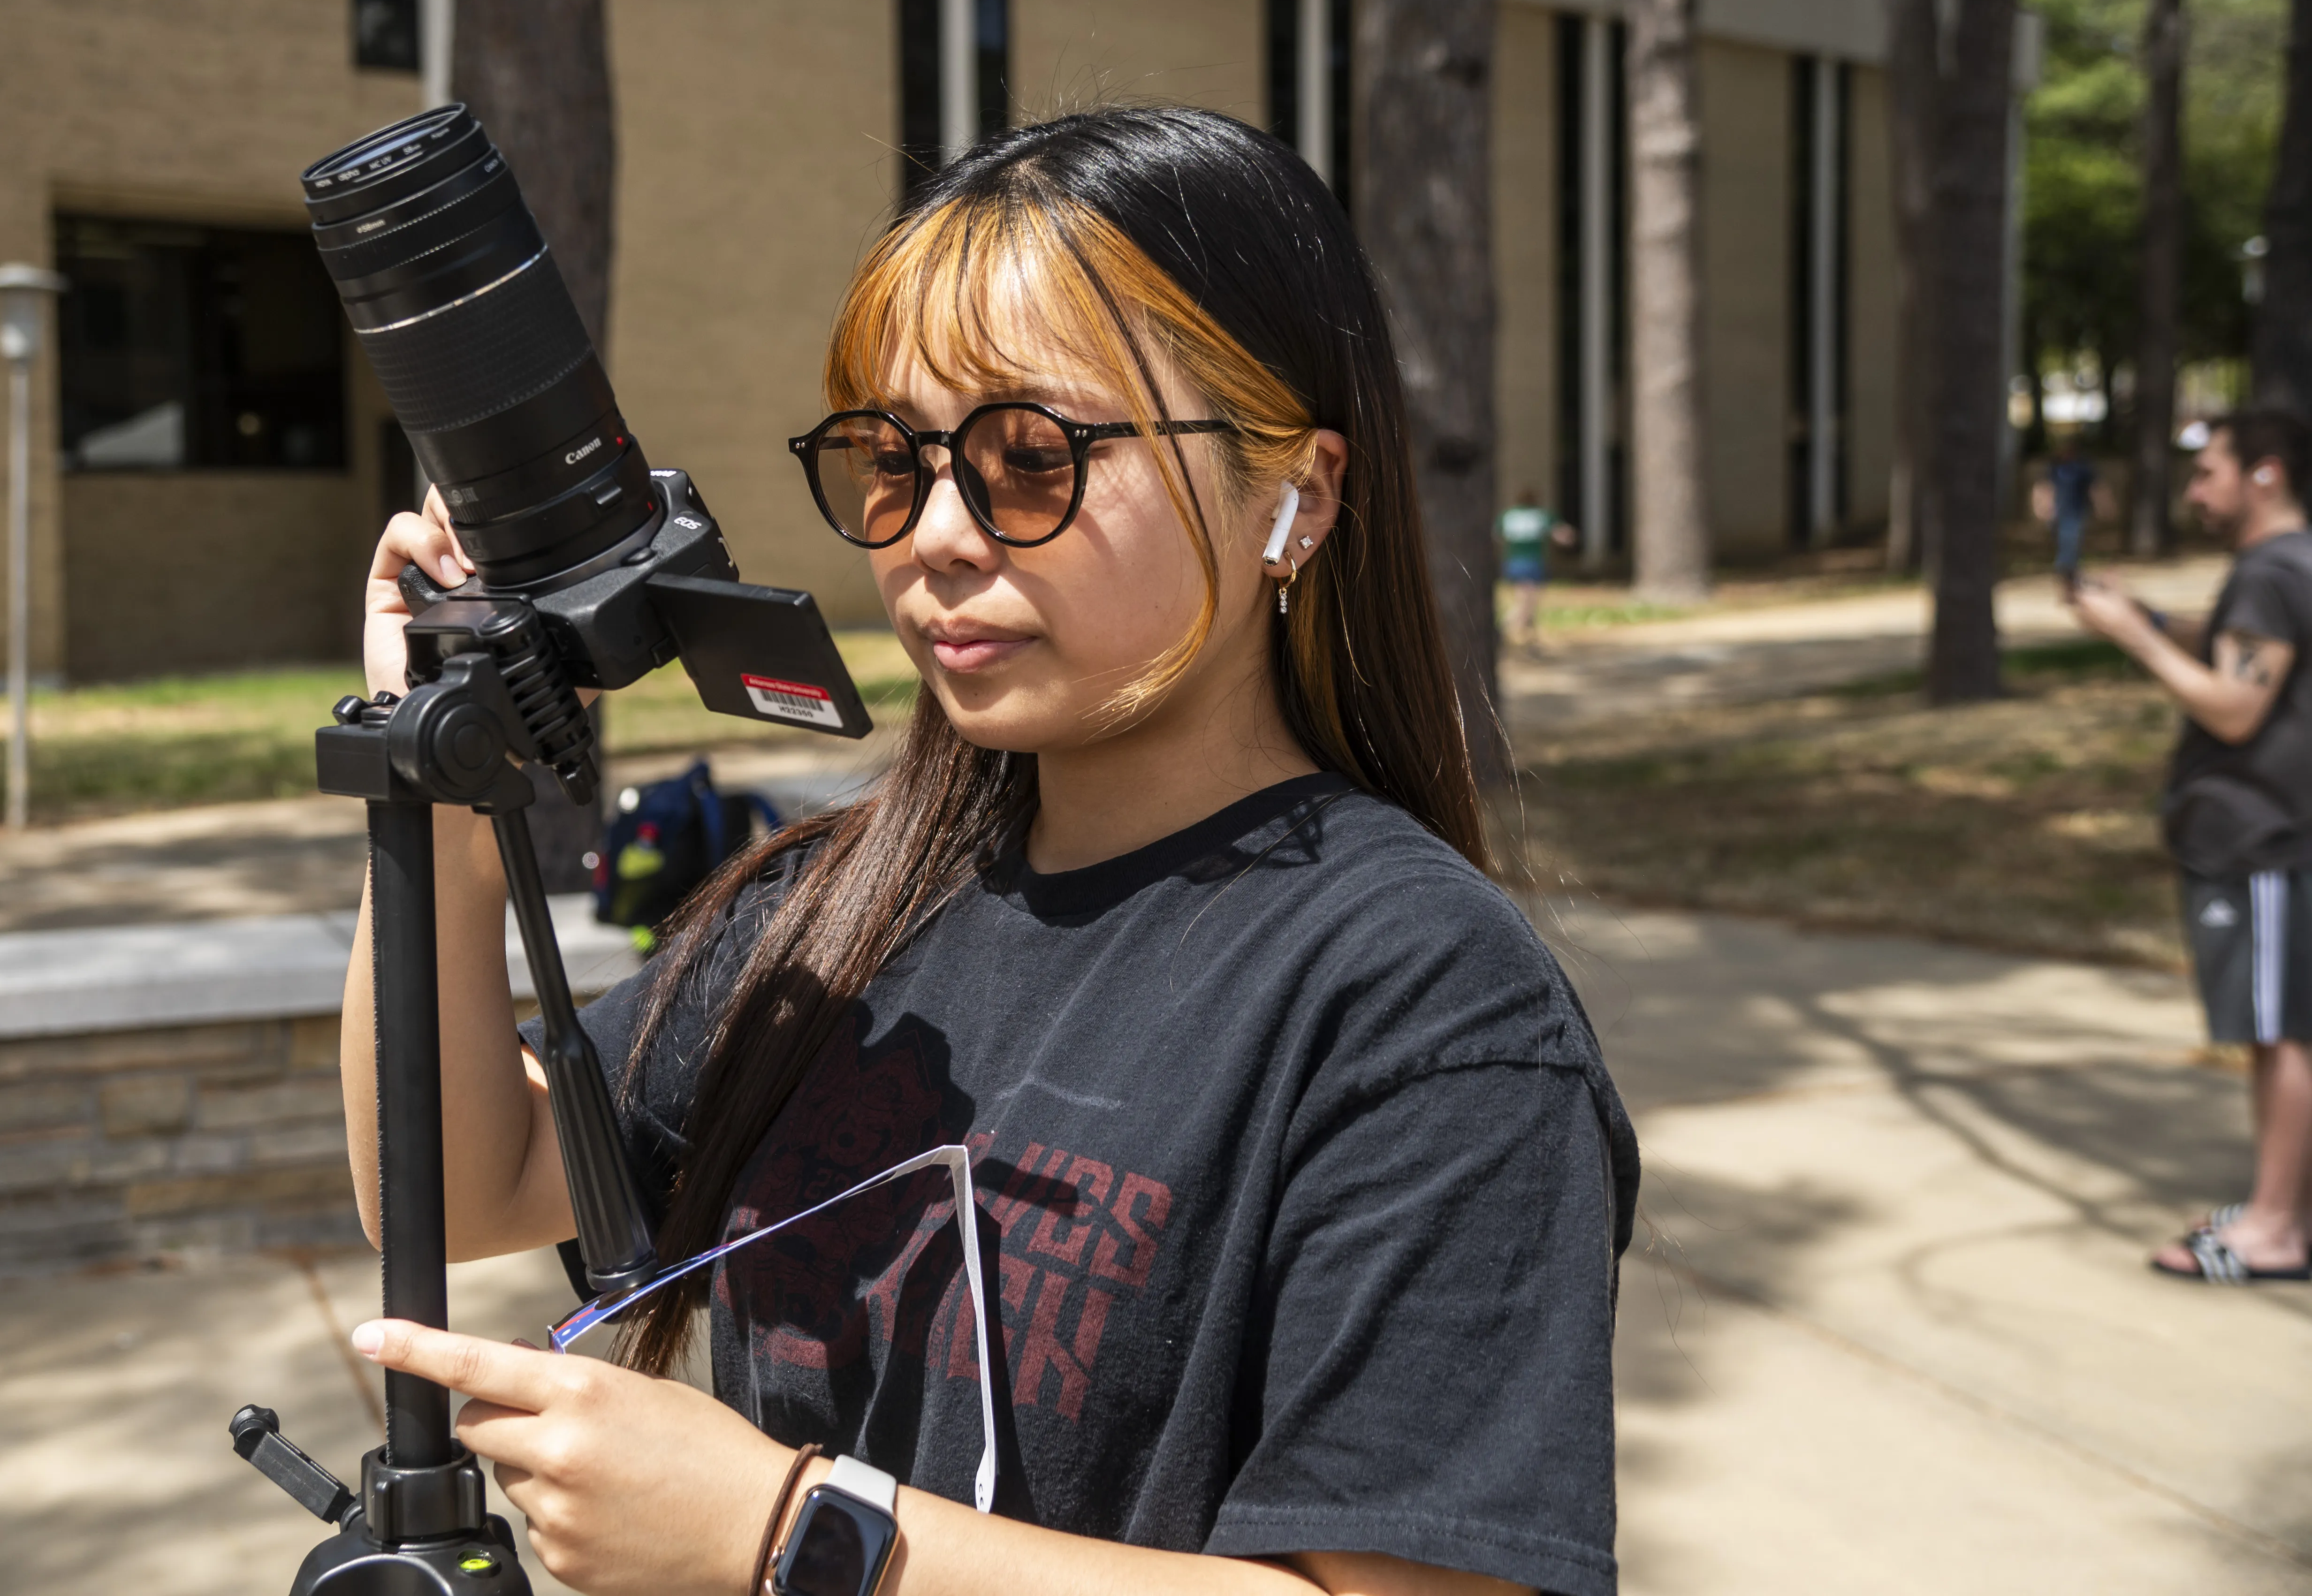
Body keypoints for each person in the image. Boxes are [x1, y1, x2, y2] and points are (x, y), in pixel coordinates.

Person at [341, 108, 1638, 1595]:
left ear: (1300, 496)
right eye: (892, 464)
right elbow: (470, 1174)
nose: (940, 535)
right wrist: (434, 786)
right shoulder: (838, 906)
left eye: (1033, 457)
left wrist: (791, 1534)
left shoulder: (1424, 1004)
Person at [2070, 407, 2312, 1285]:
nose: (2195, 489)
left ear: (2265, 473)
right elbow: (2240, 655)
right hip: (2273, 833)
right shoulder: (2284, 567)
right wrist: (2151, 615)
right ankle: (2275, 1206)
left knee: (2282, 1032)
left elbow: (2235, 705)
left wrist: (2131, 637)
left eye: (2209, 471)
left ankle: (2278, 1228)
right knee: (2272, 1027)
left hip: (2268, 835)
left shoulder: (2268, 573)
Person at [1495, 491, 1576, 652]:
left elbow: (1497, 535)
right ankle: (1500, 631)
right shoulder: (1541, 516)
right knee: (1528, 603)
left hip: (1513, 562)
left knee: (1524, 600)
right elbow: (1562, 535)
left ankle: (1531, 639)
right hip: (1533, 562)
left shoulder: (1508, 516)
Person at [2047, 434, 2098, 592]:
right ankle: (2066, 574)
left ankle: (2070, 574)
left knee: (2072, 542)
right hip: (2060, 512)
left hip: (2077, 511)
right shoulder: (2056, 468)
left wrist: (2102, 505)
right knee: (2065, 542)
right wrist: (2045, 507)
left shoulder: (2082, 469)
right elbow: (2047, 487)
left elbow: (2094, 489)